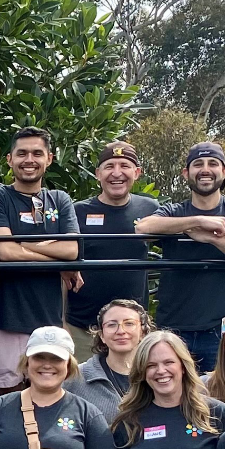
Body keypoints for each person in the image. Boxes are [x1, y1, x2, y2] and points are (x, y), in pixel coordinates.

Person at [140, 140, 225, 367]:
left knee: (219, 399)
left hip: (221, 332)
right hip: (172, 331)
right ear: (186, 173)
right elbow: (143, 229)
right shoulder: (174, 212)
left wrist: (215, 238)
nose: (205, 169)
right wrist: (197, 221)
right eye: (198, 164)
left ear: (224, 171)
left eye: (213, 163)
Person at [0, 127, 77, 387]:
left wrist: (22, 242)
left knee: (49, 396)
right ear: (9, 159)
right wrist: (54, 252)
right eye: (22, 153)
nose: (30, 160)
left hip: (48, 321)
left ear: (49, 159)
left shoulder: (60, 199)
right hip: (3, 317)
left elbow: (72, 250)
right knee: (7, 399)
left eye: (37, 153)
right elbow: (5, 252)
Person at [65, 142, 159, 360]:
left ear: (137, 173)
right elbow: (62, 263)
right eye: (109, 166)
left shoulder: (151, 209)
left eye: (124, 165)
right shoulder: (77, 211)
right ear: (98, 173)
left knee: (133, 389)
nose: (117, 173)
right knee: (83, 387)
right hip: (82, 327)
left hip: (133, 327)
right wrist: (62, 322)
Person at [75, 298, 146, 410]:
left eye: (129, 323)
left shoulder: (158, 373)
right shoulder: (77, 377)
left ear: (143, 332)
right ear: (101, 335)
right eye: (111, 325)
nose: (121, 331)